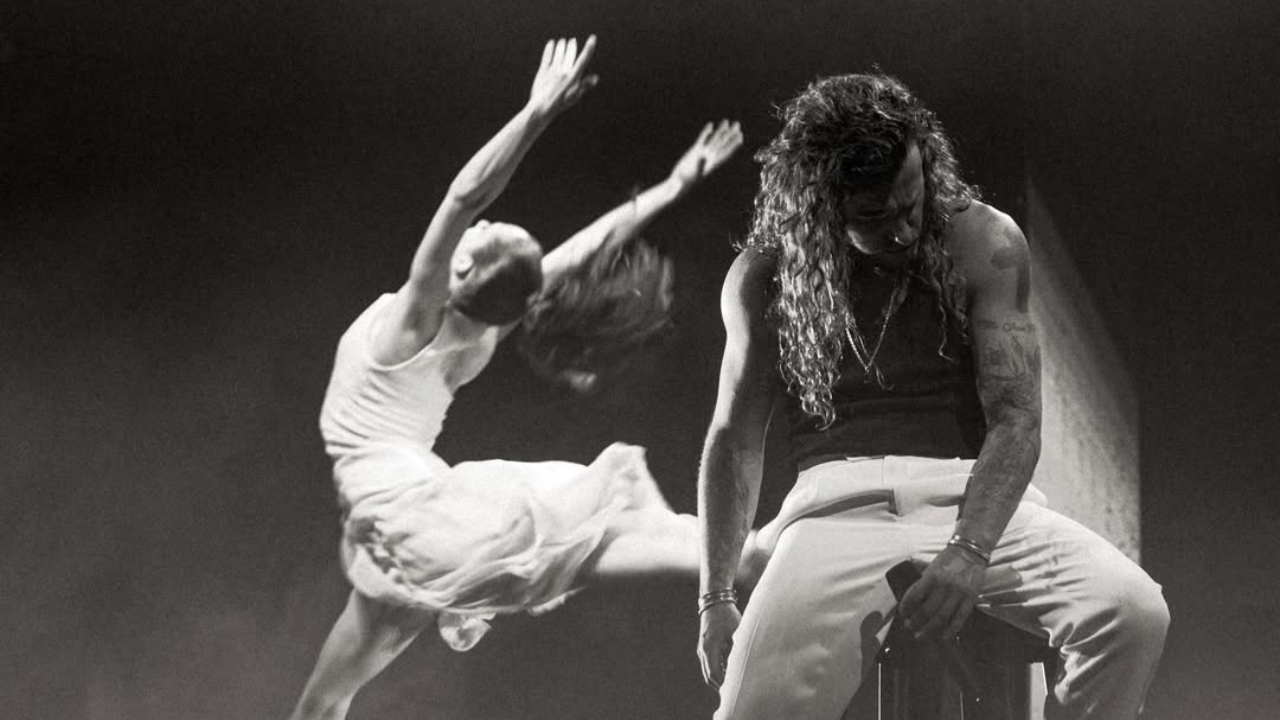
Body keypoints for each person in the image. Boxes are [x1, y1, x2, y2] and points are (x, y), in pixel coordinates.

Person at [287, 36, 760, 720]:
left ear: (461, 272)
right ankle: (735, 552)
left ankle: (735, 556)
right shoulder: (487, 324)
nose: (487, 225)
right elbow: (588, 245)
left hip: (404, 518)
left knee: (586, 534)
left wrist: (537, 112)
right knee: (320, 703)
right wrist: (672, 187)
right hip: (399, 525)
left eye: (486, 236)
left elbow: (465, 194)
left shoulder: (414, 323)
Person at [695, 72, 1169, 720]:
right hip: (835, 509)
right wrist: (715, 596)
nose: (901, 229)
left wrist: (971, 548)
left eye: (912, 202)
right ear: (820, 210)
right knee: (750, 711)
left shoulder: (984, 240)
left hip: (967, 496)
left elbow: (1018, 419)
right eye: (873, 217)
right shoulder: (763, 276)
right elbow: (734, 439)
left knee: (1132, 613)